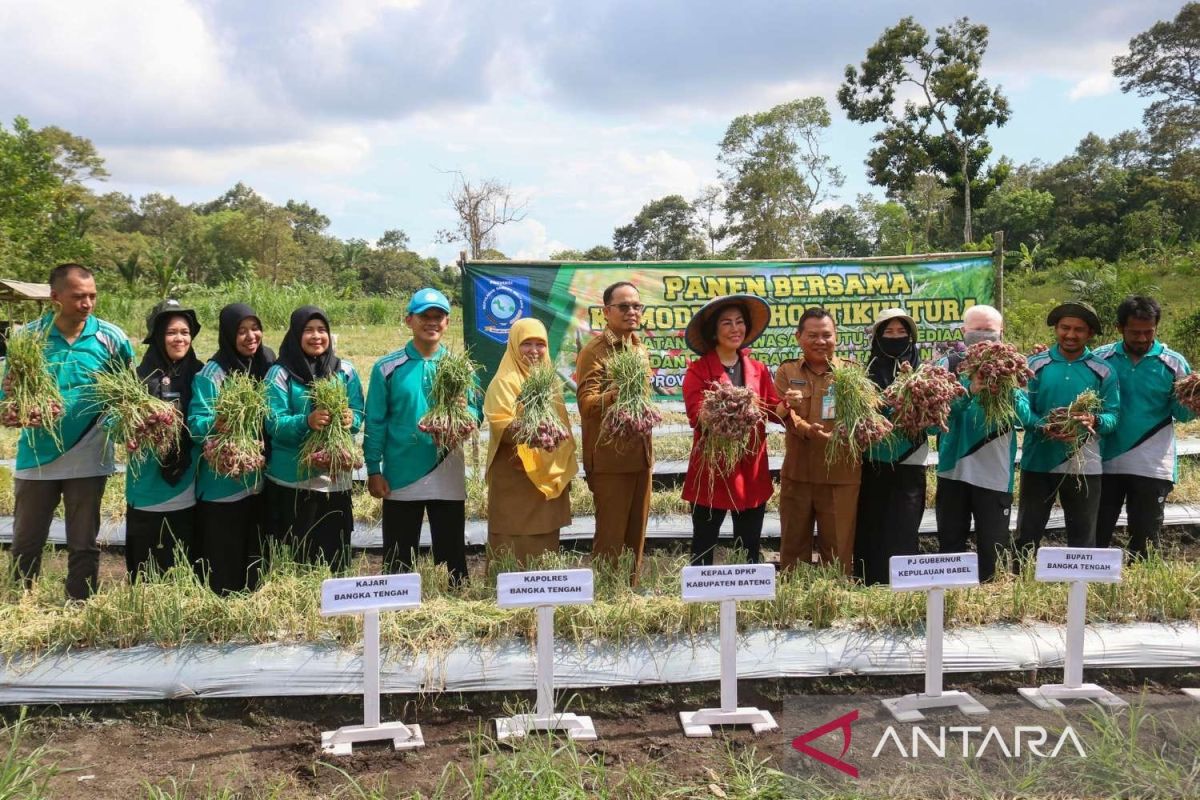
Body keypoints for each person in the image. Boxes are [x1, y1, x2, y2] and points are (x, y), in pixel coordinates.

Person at [3, 264, 134, 600]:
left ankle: (80, 603)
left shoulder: (112, 338)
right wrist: (14, 413)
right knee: (27, 539)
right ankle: (20, 604)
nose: (87, 303)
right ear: (55, 297)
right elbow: (7, 394)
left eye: (92, 295)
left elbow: (127, 393)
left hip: (89, 452)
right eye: (78, 296)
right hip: (37, 454)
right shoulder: (27, 339)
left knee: (83, 541)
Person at [364, 288, 481, 585]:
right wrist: (374, 469)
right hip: (401, 472)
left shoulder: (460, 366)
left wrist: (463, 411)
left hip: (446, 466)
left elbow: (476, 413)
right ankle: (396, 606)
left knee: (451, 550)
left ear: (447, 322)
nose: (432, 322)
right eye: (424, 316)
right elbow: (375, 421)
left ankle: (454, 601)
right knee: (399, 553)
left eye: (438, 317)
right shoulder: (388, 367)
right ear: (409, 320)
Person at [935, 304, 1033, 581]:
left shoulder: (1014, 367)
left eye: (988, 330)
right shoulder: (948, 366)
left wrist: (1007, 388)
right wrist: (969, 390)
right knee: (951, 546)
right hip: (953, 470)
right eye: (976, 330)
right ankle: (949, 603)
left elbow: (1028, 419)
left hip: (995, 474)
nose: (982, 336)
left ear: (1000, 332)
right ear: (964, 332)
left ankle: (990, 602)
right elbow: (935, 421)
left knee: (994, 549)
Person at [681, 295, 780, 566]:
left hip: (751, 469)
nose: (735, 328)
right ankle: (701, 602)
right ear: (714, 331)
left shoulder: (758, 369)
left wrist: (791, 405)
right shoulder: (699, 371)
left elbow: (774, 409)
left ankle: (747, 598)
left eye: (739, 322)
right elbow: (696, 415)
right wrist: (726, 406)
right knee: (704, 542)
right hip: (713, 469)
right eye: (727, 323)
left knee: (748, 545)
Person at [1015, 302, 1120, 557]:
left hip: (1084, 463)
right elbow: (1021, 406)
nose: (1070, 335)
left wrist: (1093, 421)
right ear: (1056, 328)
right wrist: (1042, 425)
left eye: (1079, 330)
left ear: (1090, 334)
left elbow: (1113, 415)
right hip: (1039, 460)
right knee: (1028, 532)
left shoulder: (1103, 370)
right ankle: (1023, 582)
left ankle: (1080, 586)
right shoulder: (1034, 365)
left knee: (1083, 533)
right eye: (1065, 328)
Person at [265, 307, 365, 572]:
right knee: (296, 558)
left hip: (335, 481)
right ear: (296, 334)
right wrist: (306, 422)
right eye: (308, 330)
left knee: (334, 557)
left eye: (322, 330)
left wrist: (350, 420)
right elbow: (273, 422)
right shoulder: (280, 374)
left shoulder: (345, 371)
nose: (316, 336)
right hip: (292, 482)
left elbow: (358, 412)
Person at [1094, 296, 1194, 557]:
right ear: (1119, 328)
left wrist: (1194, 401)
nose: (1141, 338)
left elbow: (1183, 416)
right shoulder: (1100, 359)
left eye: (1148, 332)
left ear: (1156, 328)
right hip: (1104, 461)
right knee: (1096, 534)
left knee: (1145, 537)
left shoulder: (1173, 364)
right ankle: (1090, 587)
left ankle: (1135, 589)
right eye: (1134, 332)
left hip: (1152, 463)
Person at [188, 303, 276, 595]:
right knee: (224, 559)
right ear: (228, 334)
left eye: (255, 328)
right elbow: (195, 422)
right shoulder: (213, 373)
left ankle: (252, 613)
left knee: (256, 555)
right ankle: (223, 613)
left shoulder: (268, 363)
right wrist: (217, 423)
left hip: (260, 480)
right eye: (241, 331)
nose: (251, 336)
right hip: (221, 484)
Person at [575, 281, 655, 580]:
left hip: (641, 456)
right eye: (624, 306)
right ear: (607, 312)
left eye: (636, 306)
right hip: (609, 460)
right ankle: (606, 597)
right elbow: (585, 404)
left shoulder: (639, 349)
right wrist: (615, 394)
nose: (632, 312)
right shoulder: (595, 351)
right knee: (610, 538)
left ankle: (629, 592)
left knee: (636, 535)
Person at [774, 307, 862, 574]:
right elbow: (780, 414)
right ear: (798, 337)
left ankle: (834, 606)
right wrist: (799, 421)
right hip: (798, 474)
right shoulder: (787, 371)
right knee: (793, 549)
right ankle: (793, 607)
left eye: (826, 335)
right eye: (812, 335)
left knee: (838, 552)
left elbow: (866, 414)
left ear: (836, 337)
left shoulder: (851, 373)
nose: (820, 341)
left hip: (840, 475)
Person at [482, 318, 576, 567]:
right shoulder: (505, 380)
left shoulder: (549, 381)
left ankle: (543, 595)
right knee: (511, 541)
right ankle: (508, 597)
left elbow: (561, 425)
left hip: (547, 473)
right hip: (515, 475)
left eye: (540, 344)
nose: (534, 351)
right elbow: (500, 422)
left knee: (545, 540)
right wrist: (531, 430)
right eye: (527, 344)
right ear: (514, 345)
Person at [124, 299, 203, 580]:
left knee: (182, 562)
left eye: (185, 332)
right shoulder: (137, 378)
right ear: (157, 336)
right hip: (145, 484)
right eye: (171, 332)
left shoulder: (202, 374)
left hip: (188, 484)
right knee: (146, 567)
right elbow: (114, 421)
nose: (179, 338)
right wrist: (132, 428)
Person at [853, 308, 927, 585]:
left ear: (911, 337)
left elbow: (935, 422)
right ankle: (868, 584)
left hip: (910, 460)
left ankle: (903, 587)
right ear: (877, 337)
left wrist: (916, 416)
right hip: (873, 461)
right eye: (888, 332)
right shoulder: (864, 375)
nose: (895, 337)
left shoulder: (923, 374)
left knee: (904, 528)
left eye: (901, 332)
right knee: (871, 526)